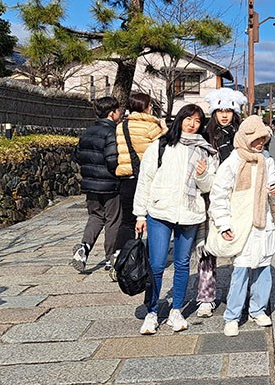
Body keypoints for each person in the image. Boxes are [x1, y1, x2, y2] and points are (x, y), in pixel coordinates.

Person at [134, 104, 217, 335]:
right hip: (160, 211)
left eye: (197, 121)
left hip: (190, 213)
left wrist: (202, 175)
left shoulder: (205, 151)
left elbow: (209, 185)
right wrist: (140, 214)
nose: (192, 124)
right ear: (179, 119)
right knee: (157, 264)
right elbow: (145, 180)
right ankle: (152, 311)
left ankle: (176, 310)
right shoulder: (160, 145)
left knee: (182, 264)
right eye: (188, 118)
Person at [208, 115, 275, 337]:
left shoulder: (267, 161)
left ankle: (258, 309)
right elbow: (219, 195)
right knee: (240, 271)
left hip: (262, 223)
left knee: (263, 269)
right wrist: (223, 224)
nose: (260, 144)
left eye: (263, 139)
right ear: (244, 139)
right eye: (256, 140)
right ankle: (232, 316)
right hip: (240, 224)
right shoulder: (232, 162)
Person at [193, 88, 246, 318]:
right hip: (208, 198)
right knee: (206, 248)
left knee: (241, 247)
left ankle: (239, 296)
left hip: (238, 197)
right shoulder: (205, 136)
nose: (224, 115)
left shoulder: (242, 136)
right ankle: (206, 297)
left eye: (229, 110)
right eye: (220, 110)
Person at [113, 92, 166, 279]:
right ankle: (150, 259)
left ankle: (120, 257)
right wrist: (164, 128)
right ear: (147, 106)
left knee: (127, 221)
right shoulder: (152, 127)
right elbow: (163, 150)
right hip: (148, 180)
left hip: (126, 178)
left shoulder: (122, 126)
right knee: (151, 220)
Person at [71, 96, 122, 273]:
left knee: (95, 216)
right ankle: (110, 258)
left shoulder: (87, 132)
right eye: (118, 110)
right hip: (109, 184)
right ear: (112, 113)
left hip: (90, 184)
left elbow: (77, 155)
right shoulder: (112, 132)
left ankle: (84, 247)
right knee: (113, 219)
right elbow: (112, 160)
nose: (120, 113)